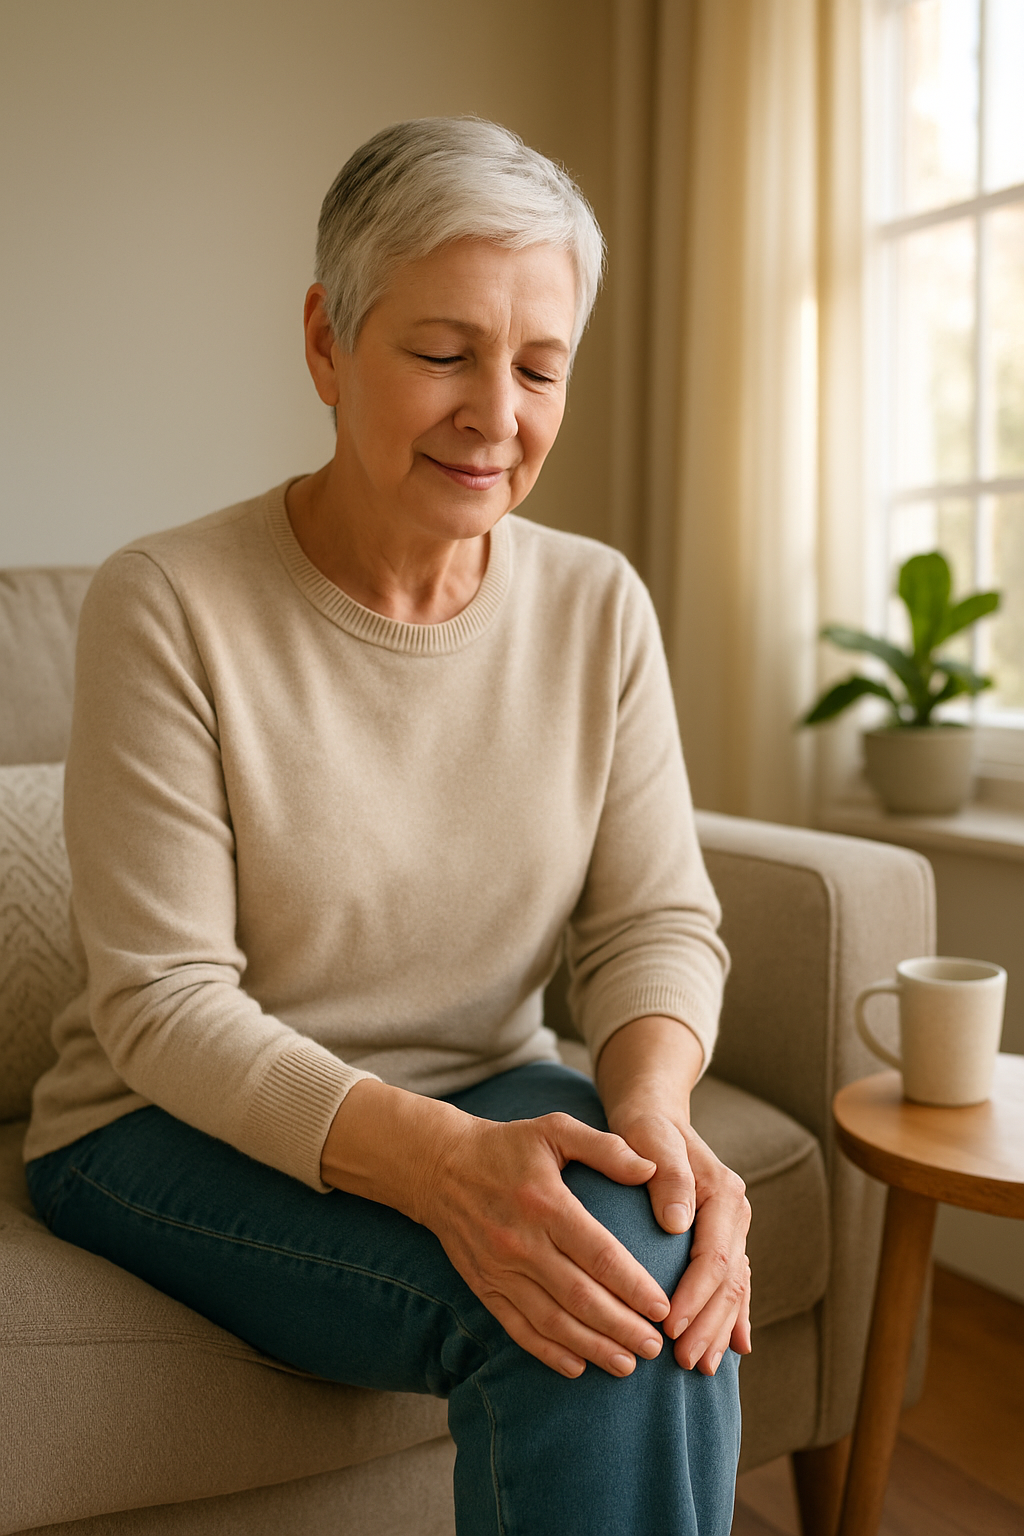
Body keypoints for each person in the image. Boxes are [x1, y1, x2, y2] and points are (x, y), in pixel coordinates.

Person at [25, 117, 751, 1535]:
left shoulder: (597, 605)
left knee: (642, 1258)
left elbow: (655, 923)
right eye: (443, 353)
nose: (498, 413)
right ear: (326, 342)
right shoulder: (167, 602)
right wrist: (438, 1166)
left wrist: (658, 1125)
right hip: (159, 1129)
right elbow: (165, 1006)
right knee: (581, 1313)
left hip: (488, 1087)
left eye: (540, 367)